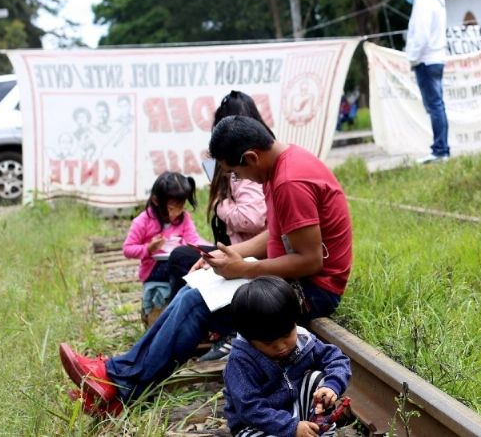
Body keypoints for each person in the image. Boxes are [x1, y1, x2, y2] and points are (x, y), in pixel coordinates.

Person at [58, 115, 353, 417]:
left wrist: (244, 269)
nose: (242, 179)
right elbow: (275, 234)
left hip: (311, 291)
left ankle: (117, 385)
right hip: (289, 278)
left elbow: (310, 259)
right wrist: (228, 253)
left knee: (196, 304)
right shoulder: (279, 166)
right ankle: (116, 378)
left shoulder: (289, 181)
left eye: (237, 172)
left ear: (251, 157)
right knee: (196, 285)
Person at [171, 91, 269, 362]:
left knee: (182, 262)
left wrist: (219, 205)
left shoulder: (247, 166)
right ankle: (190, 331)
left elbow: (253, 217)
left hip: (249, 254)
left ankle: (224, 331)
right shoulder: (236, 161)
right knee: (183, 260)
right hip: (239, 248)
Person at [222, 276, 351, 437]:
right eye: (269, 343)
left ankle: (320, 432)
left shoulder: (303, 341)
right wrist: (291, 427)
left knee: (317, 379)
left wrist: (332, 386)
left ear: (295, 322)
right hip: (256, 425)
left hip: (296, 413)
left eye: (286, 335)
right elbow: (250, 408)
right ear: (250, 339)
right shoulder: (240, 361)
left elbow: (336, 358)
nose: (281, 346)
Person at [123, 171, 207, 326]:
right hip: (154, 269)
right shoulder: (143, 221)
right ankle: (173, 315)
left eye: (181, 207)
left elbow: (193, 239)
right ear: (156, 200)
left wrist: (204, 249)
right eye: (172, 208)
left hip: (176, 265)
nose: (177, 213)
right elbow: (128, 249)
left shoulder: (184, 219)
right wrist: (148, 249)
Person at [398, 0, 450, 164]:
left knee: (435, 106)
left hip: (426, 60)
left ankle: (440, 149)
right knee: (437, 105)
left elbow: (421, 35)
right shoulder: (434, 1)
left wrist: (412, 58)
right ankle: (441, 147)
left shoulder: (423, 1)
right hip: (435, 58)